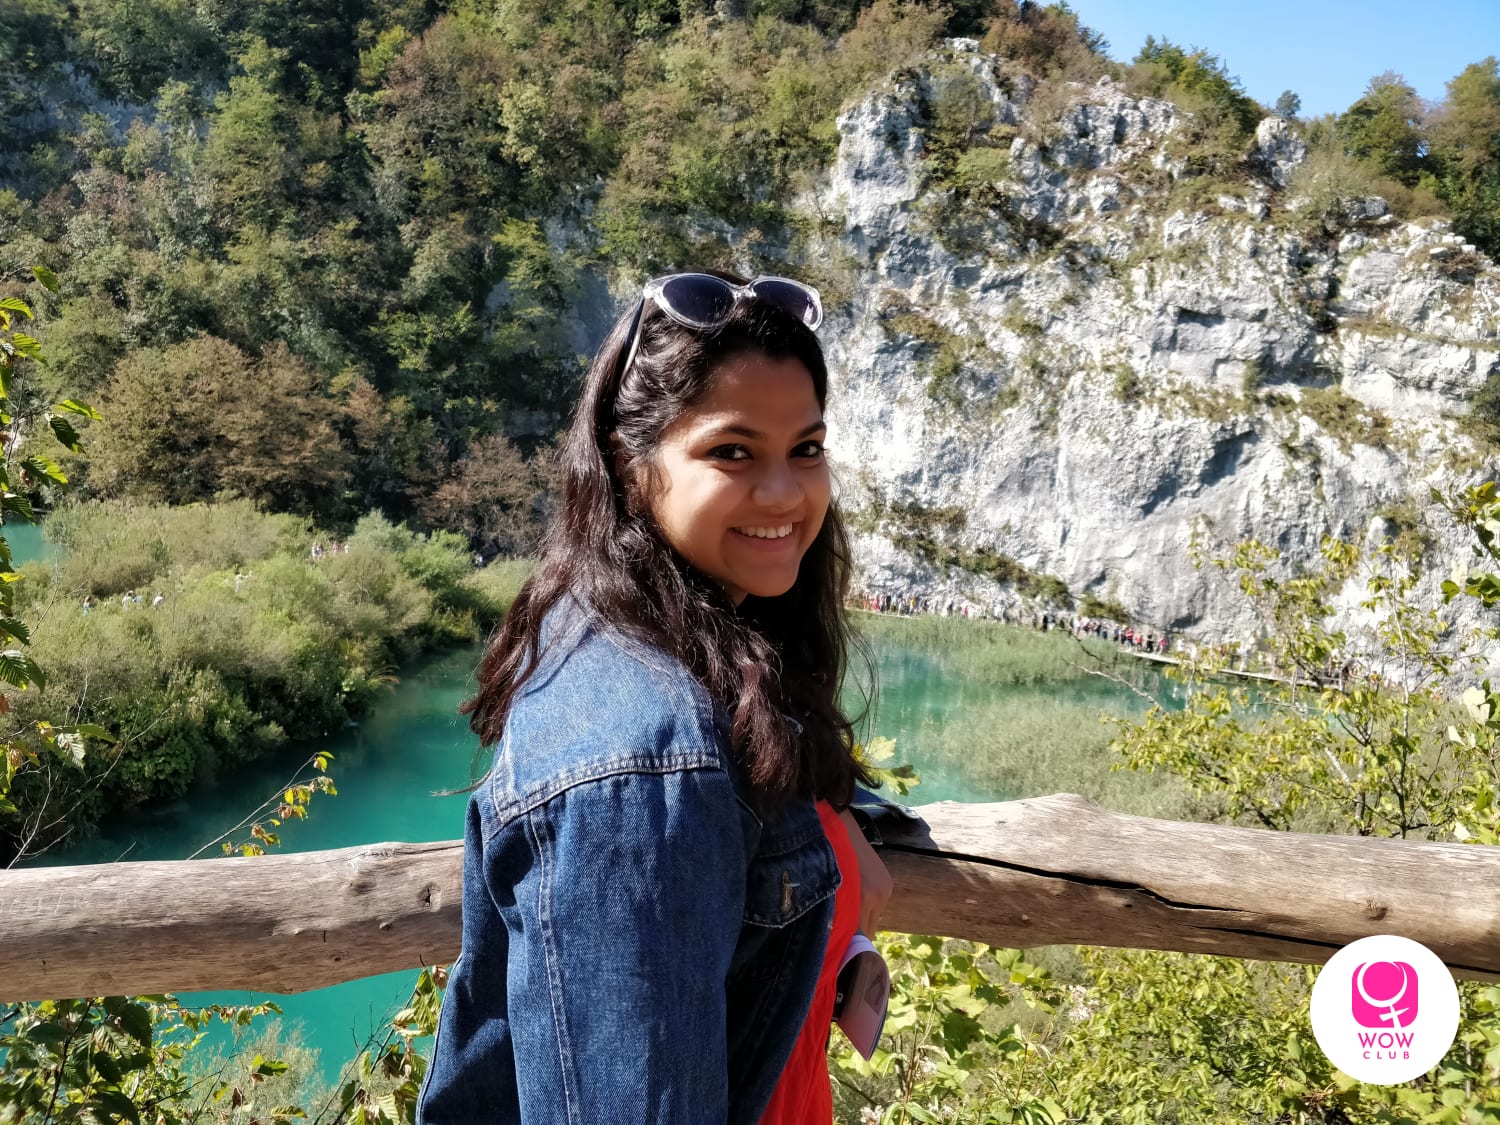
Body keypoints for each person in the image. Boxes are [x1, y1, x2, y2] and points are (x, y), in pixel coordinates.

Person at [418, 271, 894, 1125]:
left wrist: (841, 809)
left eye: (806, 448)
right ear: (633, 468)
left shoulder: (672, 628)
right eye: (732, 452)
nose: (786, 493)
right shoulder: (641, 769)